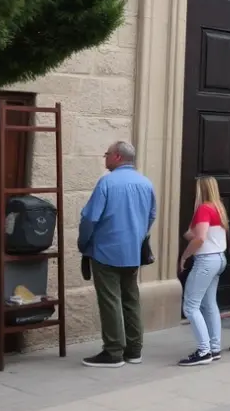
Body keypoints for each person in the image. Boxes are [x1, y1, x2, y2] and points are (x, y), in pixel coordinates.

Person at [79, 141, 158, 368]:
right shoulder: (145, 183)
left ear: (116, 157)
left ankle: (113, 351)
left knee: (110, 300)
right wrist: (138, 235)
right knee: (131, 299)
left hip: (106, 251)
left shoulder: (107, 183)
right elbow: (151, 216)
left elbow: (90, 219)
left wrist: (84, 243)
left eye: (106, 154)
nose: (105, 158)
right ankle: (134, 350)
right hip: (132, 252)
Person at [177, 176, 229, 366]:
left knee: (191, 306)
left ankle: (204, 350)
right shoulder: (218, 208)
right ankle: (214, 347)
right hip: (219, 258)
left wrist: (184, 256)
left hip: (206, 260)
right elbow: (203, 233)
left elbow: (199, 238)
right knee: (209, 304)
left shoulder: (204, 208)